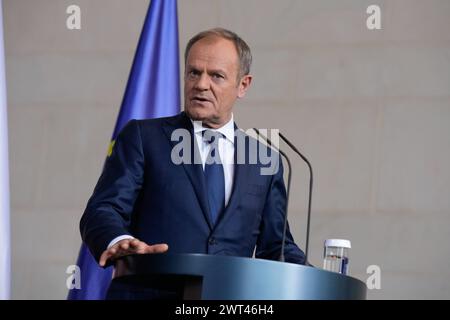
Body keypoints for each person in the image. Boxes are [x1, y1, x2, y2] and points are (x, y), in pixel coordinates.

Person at [80, 28, 307, 299]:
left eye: (216, 76)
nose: (201, 84)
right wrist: (119, 241)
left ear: (243, 85)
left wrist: (321, 282)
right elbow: (103, 209)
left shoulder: (264, 160)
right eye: (193, 72)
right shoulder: (144, 137)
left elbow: (276, 248)